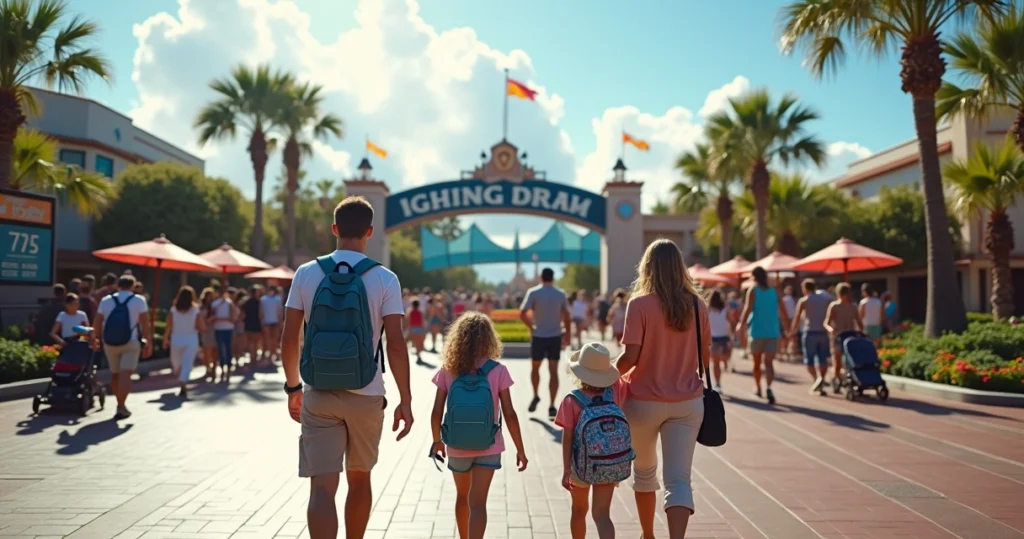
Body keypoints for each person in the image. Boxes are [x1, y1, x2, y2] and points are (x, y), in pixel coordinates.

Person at [281, 196, 413, 539]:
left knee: (322, 488)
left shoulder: (306, 273)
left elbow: (289, 338)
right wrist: (406, 400)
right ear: (369, 232)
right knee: (360, 478)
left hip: (319, 392)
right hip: (367, 393)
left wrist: (294, 388)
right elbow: (396, 344)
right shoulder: (385, 279)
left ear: (335, 229)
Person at [614, 239, 706, 539]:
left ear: (647, 268)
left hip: (643, 401)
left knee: (644, 472)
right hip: (688, 401)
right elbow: (705, 354)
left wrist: (604, 378)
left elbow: (630, 357)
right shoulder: (697, 305)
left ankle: (648, 534)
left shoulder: (639, 305)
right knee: (679, 479)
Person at [429, 313, 527, 539]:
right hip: (489, 445)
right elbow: (510, 413)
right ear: (489, 339)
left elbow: (436, 413)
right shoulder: (498, 370)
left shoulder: (448, 369)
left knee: (462, 497)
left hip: (457, 444)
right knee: (479, 503)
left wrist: (437, 442)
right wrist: (520, 449)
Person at [555, 342, 627, 539]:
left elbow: (567, 437)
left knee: (579, 511)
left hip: (580, 466)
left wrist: (566, 470)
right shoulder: (614, 392)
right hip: (608, 462)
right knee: (603, 515)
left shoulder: (572, 400)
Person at [92, 274, 153, 420]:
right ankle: (121, 405)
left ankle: (119, 404)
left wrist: (94, 339)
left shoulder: (106, 300)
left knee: (115, 374)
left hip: (110, 342)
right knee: (125, 374)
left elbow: (98, 322)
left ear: (118, 285)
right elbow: (145, 323)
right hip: (130, 342)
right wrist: (148, 342)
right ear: (132, 286)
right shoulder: (139, 300)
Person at [519, 268, 572, 419]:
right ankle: (552, 405)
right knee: (553, 371)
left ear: (541, 278)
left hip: (539, 336)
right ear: (553, 278)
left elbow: (522, 313)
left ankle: (536, 395)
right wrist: (567, 334)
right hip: (555, 336)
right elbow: (567, 316)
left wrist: (531, 327)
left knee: (535, 368)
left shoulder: (534, 292)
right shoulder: (560, 294)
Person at [736, 267, 790, 404]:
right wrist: (787, 328)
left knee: (756, 363)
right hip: (773, 332)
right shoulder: (775, 292)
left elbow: (748, 309)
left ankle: (758, 387)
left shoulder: (753, 291)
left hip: (757, 331)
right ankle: (769, 387)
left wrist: (741, 324)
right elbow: (783, 311)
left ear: (754, 277)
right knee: (769, 363)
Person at [790, 278, 832, 395]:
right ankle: (821, 380)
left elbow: (797, 317)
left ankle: (816, 380)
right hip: (823, 332)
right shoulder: (825, 299)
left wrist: (792, 331)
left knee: (809, 360)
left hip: (810, 332)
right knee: (823, 359)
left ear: (805, 288)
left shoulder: (804, 301)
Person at [164, 285, 204, 398]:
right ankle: (183, 380)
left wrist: (165, 338)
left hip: (176, 339)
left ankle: (181, 380)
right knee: (187, 363)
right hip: (191, 339)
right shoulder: (195, 309)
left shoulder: (173, 309)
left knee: (176, 362)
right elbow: (200, 326)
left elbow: (169, 325)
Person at [824, 283, 863, 383]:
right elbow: (826, 323)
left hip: (850, 336)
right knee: (837, 362)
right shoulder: (834, 306)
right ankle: (837, 379)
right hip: (838, 336)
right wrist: (831, 330)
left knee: (852, 360)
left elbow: (859, 322)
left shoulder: (853, 307)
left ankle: (849, 379)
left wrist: (861, 332)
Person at [209, 287, 237, 383]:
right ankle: (222, 368)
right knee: (220, 350)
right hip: (218, 329)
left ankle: (228, 367)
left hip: (228, 329)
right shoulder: (214, 304)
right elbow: (212, 316)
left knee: (228, 348)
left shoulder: (230, 303)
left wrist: (221, 319)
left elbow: (232, 317)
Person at [707, 289, 732, 393]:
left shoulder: (707, 310)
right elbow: (732, 322)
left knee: (716, 363)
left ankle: (717, 383)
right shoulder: (726, 310)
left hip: (713, 339)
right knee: (723, 359)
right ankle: (717, 383)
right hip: (725, 338)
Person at [199, 287, 219, 382]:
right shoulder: (201, 307)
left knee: (215, 351)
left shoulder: (215, 306)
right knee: (206, 350)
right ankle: (208, 368)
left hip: (214, 329)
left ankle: (214, 369)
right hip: (205, 330)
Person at [260, 285, 284, 362]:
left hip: (268, 322)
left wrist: (262, 321)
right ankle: (272, 354)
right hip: (274, 321)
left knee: (269, 340)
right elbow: (280, 312)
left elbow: (261, 312)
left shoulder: (263, 299)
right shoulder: (277, 299)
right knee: (273, 339)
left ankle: (271, 354)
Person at [242, 286, 264, 364]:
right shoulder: (259, 302)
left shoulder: (245, 302)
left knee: (250, 342)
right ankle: (254, 357)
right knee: (256, 342)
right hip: (256, 323)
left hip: (248, 323)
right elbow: (260, 314)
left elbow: (243, 314)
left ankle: (252, 357)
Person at [408, 299, 426, 365]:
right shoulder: (420, 312)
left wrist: (409, 330)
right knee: (419, 342)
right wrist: (424, 330)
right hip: (419, 328)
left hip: (413, 328)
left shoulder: (410, 312)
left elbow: (409, 322)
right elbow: (422, 322)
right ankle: (419, 355)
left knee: (415, 343)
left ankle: (418, 354)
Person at [781, 285, 797, 361]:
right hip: (787, 318)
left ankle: (789, 352)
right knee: (786, 335)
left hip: (790, 318)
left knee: (790, 335)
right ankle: (785, 351)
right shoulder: (786, 300)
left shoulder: (792, 300)